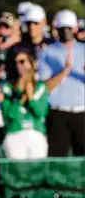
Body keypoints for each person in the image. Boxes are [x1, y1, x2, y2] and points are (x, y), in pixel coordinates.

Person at [38, 9, 85, 156]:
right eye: (62, 28)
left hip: (81, 111)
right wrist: (65, 71)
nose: (66, 31)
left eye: (69, 28)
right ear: (56, 30)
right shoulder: (47, 53)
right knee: (57, 157)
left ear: (76, 28)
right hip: (57, 111)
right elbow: (45, 87)